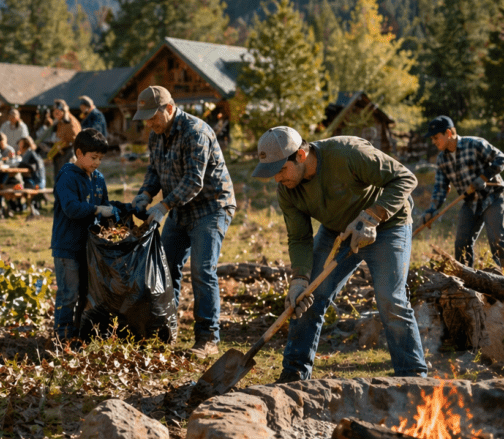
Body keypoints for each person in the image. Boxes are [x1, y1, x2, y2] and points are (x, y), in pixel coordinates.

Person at [252, 126, 427, 382]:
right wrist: (299, 279)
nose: (277, 179)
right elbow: (299, 238)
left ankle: (412, 377)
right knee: (307, 297)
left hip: (388, 225)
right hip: (337, 231)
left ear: (301, 155)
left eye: (281, 169)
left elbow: (405, 178)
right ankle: (294, 374)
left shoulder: (348, 153)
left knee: (390, 299)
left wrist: (373, 216)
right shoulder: (287, 190)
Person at [130, 86, 235, 358]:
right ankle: (165, 332)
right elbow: (154, 170)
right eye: (145, 119)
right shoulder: (156, 134)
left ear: (168, 108)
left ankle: (208, 338)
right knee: (165, 268)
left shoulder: (196, 132)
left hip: (211, 207)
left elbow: (193, 181)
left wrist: (163, 206)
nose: (149, 124)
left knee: (202, 269)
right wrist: (145, 194)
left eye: (153, 117)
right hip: (180, 207)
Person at [51, 129, 120, 340]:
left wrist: (117, 211)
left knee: (85, 292)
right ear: (79, 153)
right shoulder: (67, 177)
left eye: (100, 158)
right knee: (68, 293)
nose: (97, 162)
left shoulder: (98, 178)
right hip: (67, 247)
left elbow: (105, 204)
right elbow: (71, 208)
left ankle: (79, 333)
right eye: (93, 157)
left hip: (89, 247)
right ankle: (62, 335)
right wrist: (96, 209)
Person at [416, 115, 504, 266]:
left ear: (449, 133)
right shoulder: (442, 159)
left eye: (436, 137)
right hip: (470, 202)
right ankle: (466, 278)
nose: (433, 142)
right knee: (461, 244)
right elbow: (440, 187)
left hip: (493, 197)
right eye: (432, 139)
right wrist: (432, 209)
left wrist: (484, 177)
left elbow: (501, 158)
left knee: (498, 241)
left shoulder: (475, 144)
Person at [50, 99, 81, 185]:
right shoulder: (59, 122)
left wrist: (63, 143)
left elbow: (75, 139)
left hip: (70, 151)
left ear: (63, 111)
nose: (55, 115)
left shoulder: (71, 122)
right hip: (60, 152)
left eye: (57, 112)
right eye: (54, 113)